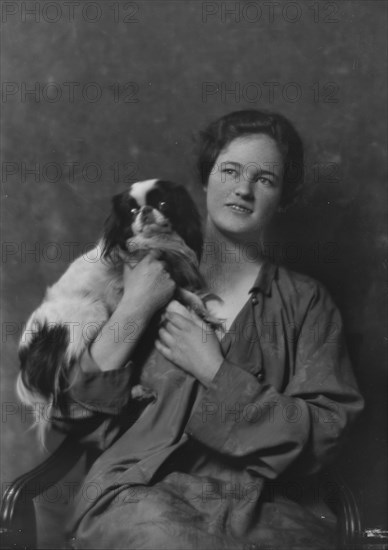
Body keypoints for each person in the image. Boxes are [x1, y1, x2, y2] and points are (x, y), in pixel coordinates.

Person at [42, 110, 364, 549]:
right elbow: (72, 418)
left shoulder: (307, 302)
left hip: (265, 507)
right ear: (207, 178)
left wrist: (216, 371)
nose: (243, 189)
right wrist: (135, 308)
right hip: (141, 496)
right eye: (229, 170)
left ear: (283, 197)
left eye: (265, 179)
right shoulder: (138, 279)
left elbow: (324, 435)